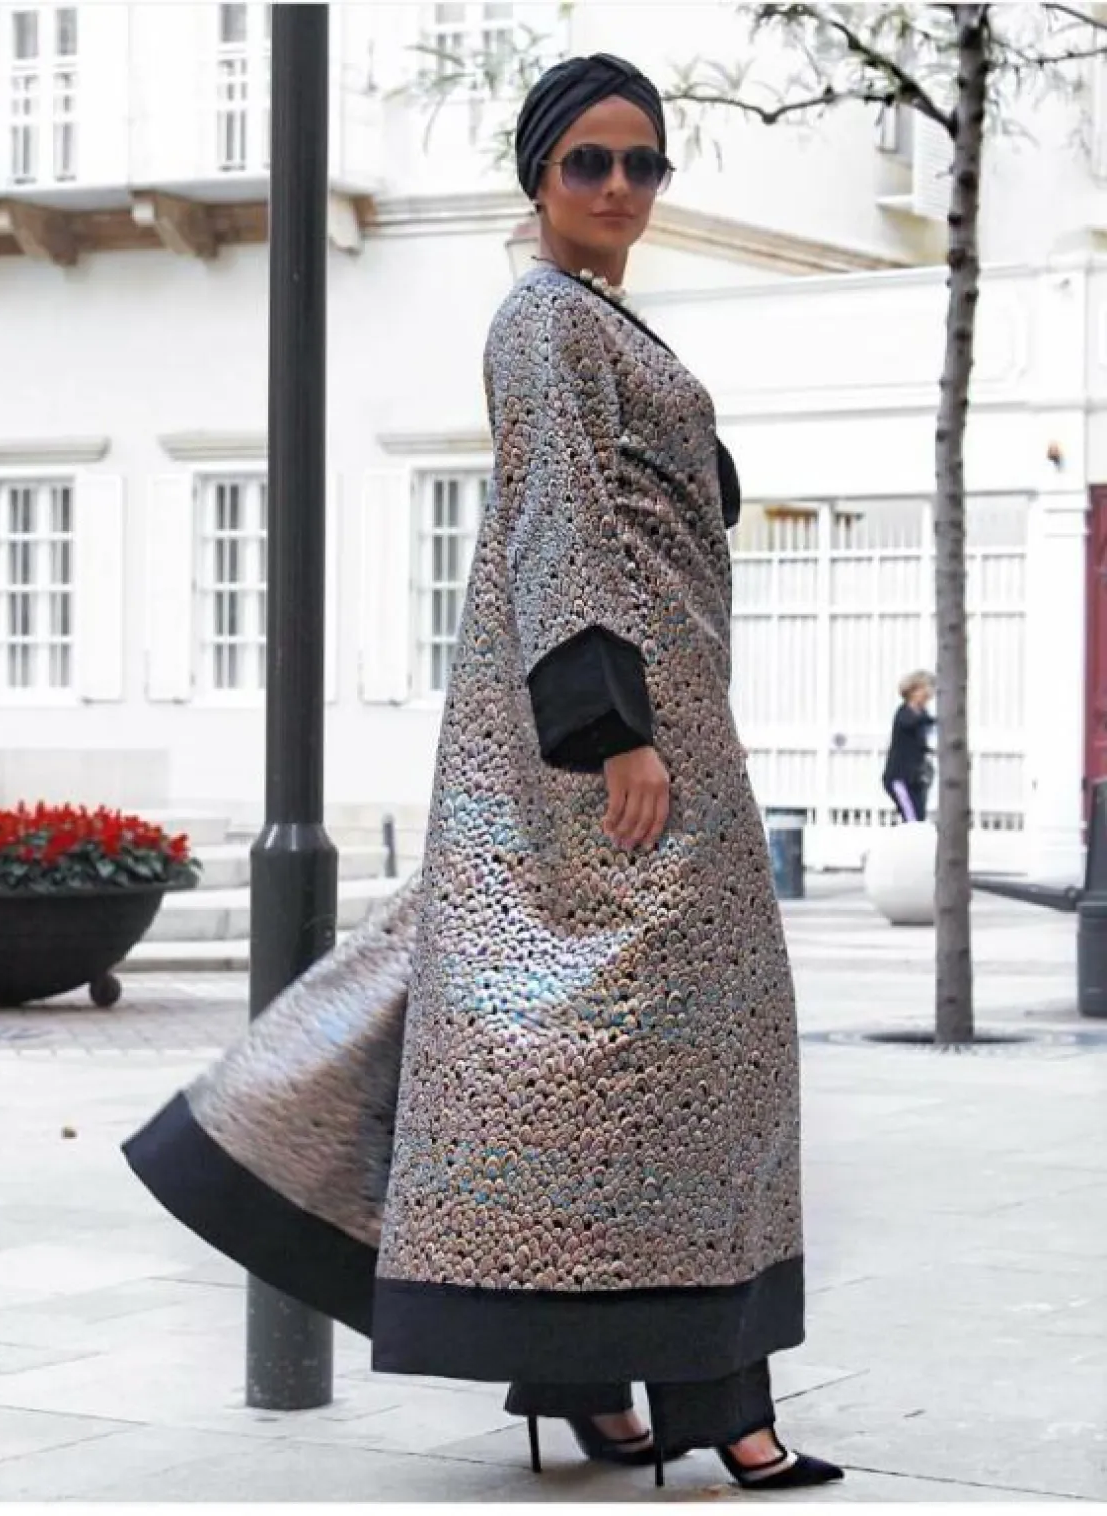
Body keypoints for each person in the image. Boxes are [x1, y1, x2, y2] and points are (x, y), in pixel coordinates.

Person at [125, 53, 842, 1493]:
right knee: (686, 1064)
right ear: (539, 176)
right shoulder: (542, 318)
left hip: (672, 743)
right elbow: (560, 522)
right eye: (590, 161)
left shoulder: (596, 316)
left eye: (644, 162)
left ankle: (584, 1382)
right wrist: (611, 729)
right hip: (623, 759)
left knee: (622, 1071)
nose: (620, 187)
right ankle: (722, 1407)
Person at [883, 670, 937, 823]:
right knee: (911, 819)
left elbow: (923, 742)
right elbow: (912, 723)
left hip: (916, 779)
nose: (928, 693)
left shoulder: (923, 714)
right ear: (912, 691)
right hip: (899, 778)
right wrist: (935, 721)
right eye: (924, 689)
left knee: (918, 818)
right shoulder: (904, 713)